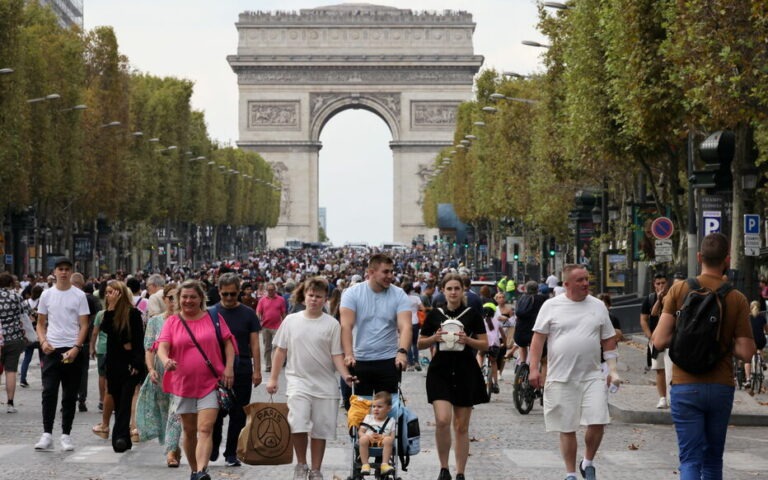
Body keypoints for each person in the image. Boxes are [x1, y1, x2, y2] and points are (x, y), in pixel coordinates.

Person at [652, 233, 755, 480]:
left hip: (685, 385)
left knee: (689, 459)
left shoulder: (679, 290)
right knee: (712, 459)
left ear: (699, 257)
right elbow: (746, 352)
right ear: (727, 260)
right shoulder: (736, 298)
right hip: (720, 386)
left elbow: (659, 340)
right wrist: (724, 340)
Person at [528, 264, 620, 480]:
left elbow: (608, 340)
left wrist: (613, 370)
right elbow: (538, 340)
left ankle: (587, 461)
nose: (586, 283)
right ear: (567, 284)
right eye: (580, 280)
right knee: (567, 427)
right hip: (561, 377)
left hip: (592, 375)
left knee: (598, 420)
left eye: (587, 279)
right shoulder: (551, 306)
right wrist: (533, 369)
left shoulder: (598, 306)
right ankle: (570, 473)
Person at [266, 276, 356, 480]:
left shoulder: (332, 324)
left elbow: (336, 354)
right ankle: (301, 464)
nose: (314, 299)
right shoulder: (290, 320)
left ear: (325, 299)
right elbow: (280, 351)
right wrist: (273, 379)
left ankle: (316, 469)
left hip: (325, 384)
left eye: (319, 296)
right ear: (303, 296)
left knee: (320, 430)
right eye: (311, 295)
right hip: (298, 381)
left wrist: (346, 376)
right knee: (297, 423)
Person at [157, 279, 236, 480]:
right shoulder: (172, 322)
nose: (188, 301)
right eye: (184, 297)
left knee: (205, 428)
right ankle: (194, 470)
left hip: (210, 383)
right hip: (183, 384)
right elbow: (162, 347)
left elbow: (228, 343)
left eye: (193, 297)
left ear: (201, 298)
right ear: (178, 299)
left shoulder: (213, 317)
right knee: (189, 431)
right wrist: (166, 361)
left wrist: (228, 368)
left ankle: (202, 470)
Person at [418, 272, 488, 480]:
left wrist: (468, 340)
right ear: (443, 291)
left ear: (463, 290)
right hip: (440, 370)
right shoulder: (435, 314)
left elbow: (485, 344)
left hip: (466, 370)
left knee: (461, 426)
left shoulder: (472, 314)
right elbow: (420, 343)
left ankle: (460, 472)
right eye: (449, 288)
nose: (453, 292)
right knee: (442, 420)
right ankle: (443, 468)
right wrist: (434, 338)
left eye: (457, 288)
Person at [34, 258, 91, 452]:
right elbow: (40, 323)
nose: (64, 273)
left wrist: (77, 347)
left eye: (67, 269)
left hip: (72, 349)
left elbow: (84, 324)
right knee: (49, 392)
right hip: (51, 349)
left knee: (69, 395)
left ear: (71, 271)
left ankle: (66, 434)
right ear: (55, 272)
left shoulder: (79, 296)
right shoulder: (46, 295)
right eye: (61, 269)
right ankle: (47, 433)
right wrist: (43, 341)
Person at [210, 273, 262, 467]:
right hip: (215, 372)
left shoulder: (248, 313)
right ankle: (213, 445)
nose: (230, 298)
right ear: (219, 292)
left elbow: (254, 344)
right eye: (225, 294)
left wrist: (257, 371)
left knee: (238, 414)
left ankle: (231, 452)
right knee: (214, 412)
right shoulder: (211, 313)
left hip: (242, 369)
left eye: (233, 294)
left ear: (239, 292)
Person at [341, 254, 412, 395]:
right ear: (371, 272)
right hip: (359, 360)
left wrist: (402, 352)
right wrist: (348, 354)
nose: (390, 276)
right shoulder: (352, 294)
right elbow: (346, 326)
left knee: (389, 413)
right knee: (359, 412)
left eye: (392, 271)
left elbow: (406, 326)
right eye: (386, 272)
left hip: (388, 360)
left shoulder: (399, 294)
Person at [135, 283, 183, 467]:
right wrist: (151, 369)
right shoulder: (155, 322)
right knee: (165, 413)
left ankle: (170, 452)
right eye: (170, 297)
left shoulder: (185, 319)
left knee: (176, 411)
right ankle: (173, 445)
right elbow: (149, 348)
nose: (174, 301)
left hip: (180, 372)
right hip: (161, 373)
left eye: (177, 297)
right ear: (164, 300)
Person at [99, 280, 146, 452]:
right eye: (107, 292)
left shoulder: (133, 314)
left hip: (129, 364)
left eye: (113, 292)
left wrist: (136, 360)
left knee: (126, 400)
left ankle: (118, 438)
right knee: (118, 401)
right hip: (113, 364)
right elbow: (107, 329)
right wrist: (111, 308)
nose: (109, 295)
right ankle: (124, 438)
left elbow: (137, 340)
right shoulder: (108, 313)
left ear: (121, 293)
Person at [640, 272, 670, 409]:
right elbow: (647, 317)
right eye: (658, 283)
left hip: (671, 340)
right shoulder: (650, 299)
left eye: (663, 283)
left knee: (672, 369)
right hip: (656, 340)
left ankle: (672, 396)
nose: (661, 286)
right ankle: (662, 397)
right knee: (659, 369)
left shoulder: (672, 297)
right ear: (654, 285)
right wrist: (649, 336)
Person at [0, 272, 28, 413]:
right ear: (11, 283)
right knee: (11, 371)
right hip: (14, 338)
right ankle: (10, 404)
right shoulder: (15, 296)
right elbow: (26, 312)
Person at [358, 391, 396, 476]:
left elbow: (392, 437)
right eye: (374, 406)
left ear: (388, 408)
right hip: (369, 441)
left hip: (382, 442)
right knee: (362, 439)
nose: (375, 409)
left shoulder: (391, 421)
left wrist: (383, 437)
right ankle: (365, 464)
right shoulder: (369, 418)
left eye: (379, 407)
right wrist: (367, 436)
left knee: (389, 440)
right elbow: (360, 431)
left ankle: (384, 464)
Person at [255, 281, 286, 373]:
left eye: (272, 290)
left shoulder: (281, 299)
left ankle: (276, 364)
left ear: (275, 290)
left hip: (277, 326)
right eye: (269, 290)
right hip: (265, 326)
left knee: (277, 347)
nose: (271, 291)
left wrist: (285, 324)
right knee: (267, 347)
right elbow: (258, 312)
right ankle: (268, 365)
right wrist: (258, 322)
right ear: (266, 290)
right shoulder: (262, 300)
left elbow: (283, 313)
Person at [19, 285, 44, 389]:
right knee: (43, 358)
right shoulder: (41, 302)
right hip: (40, 333)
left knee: (27, 357)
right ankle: (44, 380)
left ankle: (23, 379)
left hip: (29, 334)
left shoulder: (26, 302)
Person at [744, 300, 767, 385]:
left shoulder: (747, 318)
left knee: (747, 360)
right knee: (759, 348)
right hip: (760, 340)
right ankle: (762, 361)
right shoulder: (762, 318)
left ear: (750, 308)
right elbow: (766, 330)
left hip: (750, 341)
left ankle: (748, 380)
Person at [403, 281, 424, 371]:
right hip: (415, 322)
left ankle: (410, 364)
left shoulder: (401, 298)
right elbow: (422, 308)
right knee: (415, 343)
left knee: (407, 344)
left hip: (405, 322)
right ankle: (416, 362)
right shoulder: (416, 298)